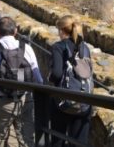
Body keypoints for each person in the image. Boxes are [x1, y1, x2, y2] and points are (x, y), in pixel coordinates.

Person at [0, 16, 43, 147]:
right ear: (15, 31)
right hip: (25, 98)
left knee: (0, 136)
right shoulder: (26, 47)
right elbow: (38, 77)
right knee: (26, 137)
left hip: (3, 99)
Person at [48, 15, 92, 147]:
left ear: (62, 30)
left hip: (63, 102)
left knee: (58, 138)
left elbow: (56, 74)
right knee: (79, 142)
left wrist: (49, 78)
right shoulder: (85, 48)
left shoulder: (58, 47)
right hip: (84, 101)